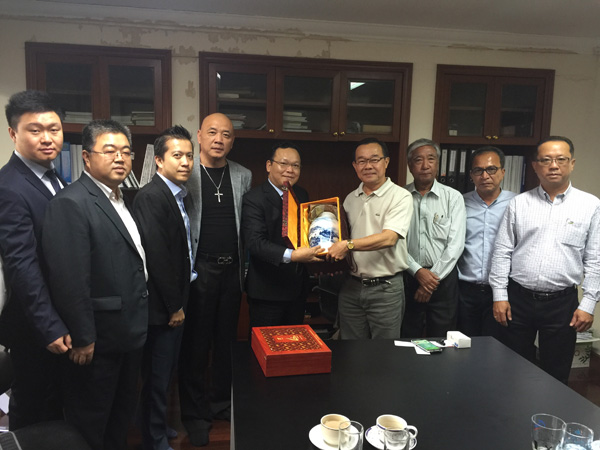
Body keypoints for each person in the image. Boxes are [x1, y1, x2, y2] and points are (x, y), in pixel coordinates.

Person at [42, 119, 148, 450]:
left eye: (126, 152)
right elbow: (69, 279)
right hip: (96, 341)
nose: (120, 158)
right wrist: (83, 337)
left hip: (127, 333)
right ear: (86, 158)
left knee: (119, 418)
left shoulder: (121, 198)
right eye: (110, 151)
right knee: (90, 424)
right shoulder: (72, 203)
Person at [489, 136, 600, 384]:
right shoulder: (519, 203)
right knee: (512, 370)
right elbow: (502, 251)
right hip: (517, 300)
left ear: (572, 163)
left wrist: (589, 303)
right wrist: (499, 295)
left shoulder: (590, 205)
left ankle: (550, 410)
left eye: (561, 159)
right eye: (546, 160)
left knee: (556, 374)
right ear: (535, 166)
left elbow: (595, 259)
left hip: (562, 304)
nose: (554, 166)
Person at [179, 112, 251, 446]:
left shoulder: (243, 175)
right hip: (200, 269)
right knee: (195, 345)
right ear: (199, 136)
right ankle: (195, 414)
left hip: (232, 270)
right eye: (212, 132)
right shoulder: (185, 171)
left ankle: (222, 403)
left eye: (226, 134)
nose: (219, 139)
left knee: (226, 342)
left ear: (232, 141)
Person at [0, 90, 70, 430]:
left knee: (56, 404)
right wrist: (49, 325)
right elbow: (21, 264)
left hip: (59, 315)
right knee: (32, 408)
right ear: (13, 133)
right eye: (35, 129)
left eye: (53, 129)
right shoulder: (10, 187)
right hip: (34, 326)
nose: (47, 138)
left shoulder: (53, 176)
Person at [133, 126, 196, 450]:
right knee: (157, 377)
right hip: (162, 307)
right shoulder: (151, 196)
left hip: (176, 299)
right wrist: (175, 306)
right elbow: (157, 257)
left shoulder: (177, 195)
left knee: (165, 372)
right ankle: (153, 438)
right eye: (177, 155)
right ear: (159, 160)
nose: (185, 162)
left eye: (189, 156)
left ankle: (157, 426)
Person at [327, 137, 413, 339]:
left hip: (385, 288)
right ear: (355, 166)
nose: (368, 166)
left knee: (384, 351)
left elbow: (389, 238)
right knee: (350, 349)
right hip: (351, 286)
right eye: (362, 161)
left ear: (386, 162)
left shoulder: (400, 196)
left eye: (374, 159)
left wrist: (347, 245)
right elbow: (341, 236)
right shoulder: (350, 199)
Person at [242, 142, 322, 329]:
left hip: (297, 289)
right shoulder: (254, 198)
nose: (290, 170)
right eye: (284, 164)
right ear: (269, 165)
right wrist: (293, 256)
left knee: (294, 342)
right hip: (266, 291)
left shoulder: (301, 194)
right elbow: (255, 243)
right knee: (266, 344)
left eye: (295, 165)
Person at [401, 138, 466, 339]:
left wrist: (431, 280)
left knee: (443, 338)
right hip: (408, 276)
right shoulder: (399, 197)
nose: (425, 165)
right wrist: (417, 272)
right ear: (410, 165)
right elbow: (395, 242)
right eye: (418, 160)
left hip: (444, 280)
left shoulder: (453, 197)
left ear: (438, 163)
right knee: (407, 336)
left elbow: (455, 245)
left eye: (431, 159)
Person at [457, 146, 516, 337]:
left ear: (503, 172)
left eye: (491, 169)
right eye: (478, 170)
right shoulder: (459, 203)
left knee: (497, 347)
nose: (485, 176)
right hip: (465, 290)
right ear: (471, 175)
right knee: (463, 344)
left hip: (504, 291)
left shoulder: (517, 203)